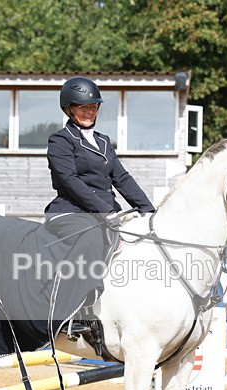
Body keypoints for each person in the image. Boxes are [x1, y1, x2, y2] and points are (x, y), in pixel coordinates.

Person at [44, 76, 155, 349]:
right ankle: (73, 314)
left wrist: (148, 209)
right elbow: (70, 180)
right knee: (93, 240)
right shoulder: (60, 140)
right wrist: (103, 210)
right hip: (70, 212)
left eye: (93, 107)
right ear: (69, 109)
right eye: (82, 108)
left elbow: (122, 178)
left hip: (105, 213)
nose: (89, 112)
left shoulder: (104, 142)